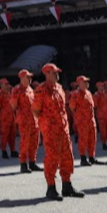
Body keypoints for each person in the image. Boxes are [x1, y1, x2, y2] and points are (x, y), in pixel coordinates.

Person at [32, 63, 83, 201]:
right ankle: (51, 188)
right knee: (52, 158)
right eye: (53, 72)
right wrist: (46, 124)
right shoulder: (41, 90)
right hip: (50, 131)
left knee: (67, 156)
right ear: (47, 73)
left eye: (57, 72)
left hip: (63, 128)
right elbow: (36, 110)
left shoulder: (59, 88)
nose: (56, 74)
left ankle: (67, 186)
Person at [12, 69, 41, 174]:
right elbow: (13, 105)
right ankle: (23, 164)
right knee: (25, 142)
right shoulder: (17, 90)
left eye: (30, 77)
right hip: (24, 120)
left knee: (34, 142)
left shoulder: (30, 89)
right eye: (27, 77)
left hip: (34, 120)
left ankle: (32, 162)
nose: (29, 79)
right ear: (21, 78)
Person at [68, 75, 97, 167]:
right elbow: (72, 107)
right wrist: (79, 116)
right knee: (83, 139)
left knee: (92, 138)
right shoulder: (75, 94)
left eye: (86, 82)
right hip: (82, 121)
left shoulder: (88, 93)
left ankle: (92, 157)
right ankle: (83, 158)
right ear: (79, 84)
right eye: (84, 82)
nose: (86, 83)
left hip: (91, 120)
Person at [0, 78, 17, 160]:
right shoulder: (0, 95)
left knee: (12, 135)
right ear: (1, 85)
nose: (7, 85)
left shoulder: (10, 93)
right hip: (4, 118)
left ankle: (12, 150)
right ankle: (4, 150)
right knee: (4, 135)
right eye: (5, 84)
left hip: (12, 117)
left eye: (7, 84)